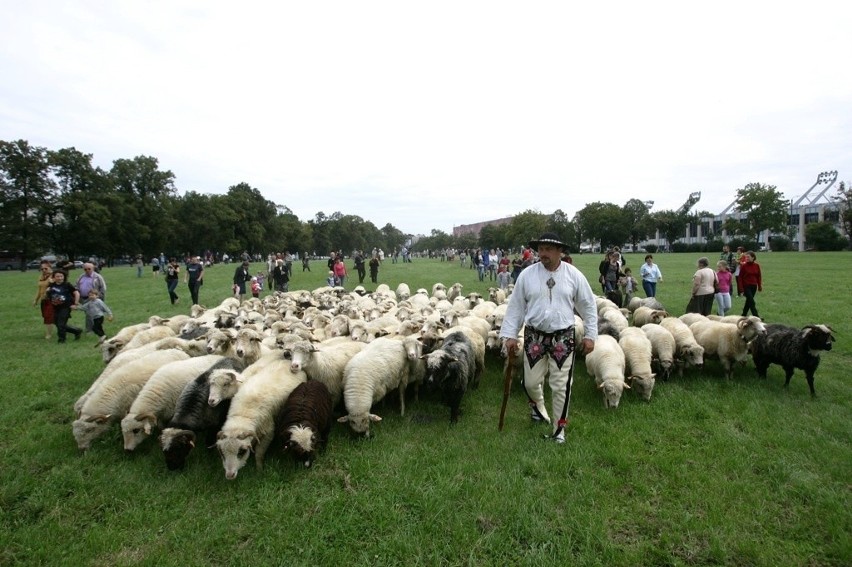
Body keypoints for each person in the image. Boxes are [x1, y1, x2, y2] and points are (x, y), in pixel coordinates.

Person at [500, 233, 598, 444]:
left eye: (548, 249)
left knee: (561, 385)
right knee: (530, 382)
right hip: (535, 336)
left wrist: (590, 335)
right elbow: (516, 306)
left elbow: (588, 306)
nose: (543, 253)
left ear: (559, 251)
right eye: (541, 249)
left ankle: (558, 430)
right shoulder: (527, 275)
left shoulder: (574, 275)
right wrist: (509, 334)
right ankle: (538, 408)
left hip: (563, 338)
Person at [45, 270, 82, 343]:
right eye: (57, 276)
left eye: (61, 276)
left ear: (64, 277)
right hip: (55, 307)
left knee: (61, 324)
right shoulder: (52, 285)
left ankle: (61, 340)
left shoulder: (67, 285)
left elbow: (77, 293)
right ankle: (76, 331)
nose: (59, 278)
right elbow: (48, 294)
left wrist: (76, 303)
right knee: (58, 324)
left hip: (65, 307)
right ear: (54, 277)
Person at [75, 262, 107, 334]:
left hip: (93, 299)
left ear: (93, 268)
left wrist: (99, 297)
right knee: (90, 314)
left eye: (89, 269)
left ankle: (90, 329)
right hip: (83, 298)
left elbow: (103, 288)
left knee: (91, 314)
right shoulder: (81, 277)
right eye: (85, 269)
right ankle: (95, 328)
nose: (87, 270)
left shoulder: (98, 277)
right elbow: (76, 286)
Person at [32, 259, 55, 340]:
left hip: (51, 300)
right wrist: (36, 300)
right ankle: (63, 326)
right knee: (46, 316)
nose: (44, 270)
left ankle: (48, 334)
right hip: (43, 300)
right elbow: (39, 289)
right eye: (42, 269)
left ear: (50, 267)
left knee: (48, 317)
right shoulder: (41, 277)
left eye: (46, 268)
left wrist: (52, 282)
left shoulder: (54, 276)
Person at [739, 251, 762, 317]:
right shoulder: (744, 266)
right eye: (746, 257)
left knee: (748, 301)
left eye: (748, 257)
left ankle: (743, 314)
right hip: (746, 286)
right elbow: (740, 278)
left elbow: (759, 276)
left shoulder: (757, 265)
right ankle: (756, 316)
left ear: (753, 257)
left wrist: (759, 286)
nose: (746, 258)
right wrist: (741, 289)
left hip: (754, 286)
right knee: (752, 301)